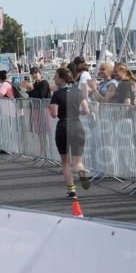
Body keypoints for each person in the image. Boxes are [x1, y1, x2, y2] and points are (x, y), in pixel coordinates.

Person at [48, 66, 91, 199]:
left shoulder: (56, 94)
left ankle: (72, 191)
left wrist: (50, 108)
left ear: (61, 79)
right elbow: (86, 110)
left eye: (55, 76)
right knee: (77, 161)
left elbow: (54, 114)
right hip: (77, 126)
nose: (54, 78)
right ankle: (81, 172)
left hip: (63, 127)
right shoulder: (77, 92)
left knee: (65, 162)